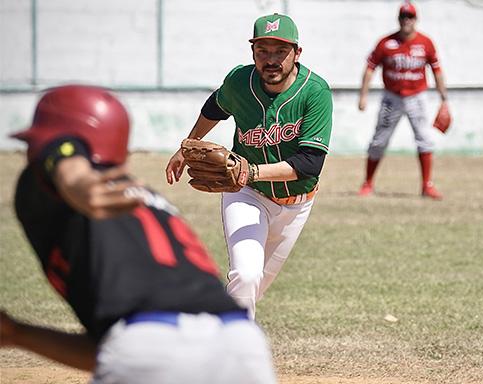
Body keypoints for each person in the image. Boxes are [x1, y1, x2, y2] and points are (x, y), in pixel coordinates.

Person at [1, 84, 277, 384]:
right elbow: (111, 350)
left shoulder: (54, 187)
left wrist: (74, 178)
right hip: (242, 344)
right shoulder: (144, 198)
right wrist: (18, 334)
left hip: (147, 349)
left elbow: (66, 155)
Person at [165, 13, 333, 320]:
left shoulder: (315, 92)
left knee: (254, 289)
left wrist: (250, 169)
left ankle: (210, 325)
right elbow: (215, 107)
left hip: (297, 204)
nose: (271, 60)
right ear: (252, 52)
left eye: (280, 51)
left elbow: (310, 163)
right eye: (262, 51)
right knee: (246, 276)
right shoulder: (240, 82)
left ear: (296, 53)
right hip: (247, 194)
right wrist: (186, 145)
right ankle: (231, 357)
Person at [358, 2, 449, 199]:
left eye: (410, 17)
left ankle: (427, 185)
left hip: (417, 96)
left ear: (416, 19)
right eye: (403, 17)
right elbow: (370, 68)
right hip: (392, 97)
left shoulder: (425, 42)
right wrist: (363, 95)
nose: (406, 20)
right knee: (379, 140)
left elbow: (437, 70)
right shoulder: (386, 43)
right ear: (398, 19)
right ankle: (368, 183)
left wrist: (444, 98)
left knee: (424, 139)